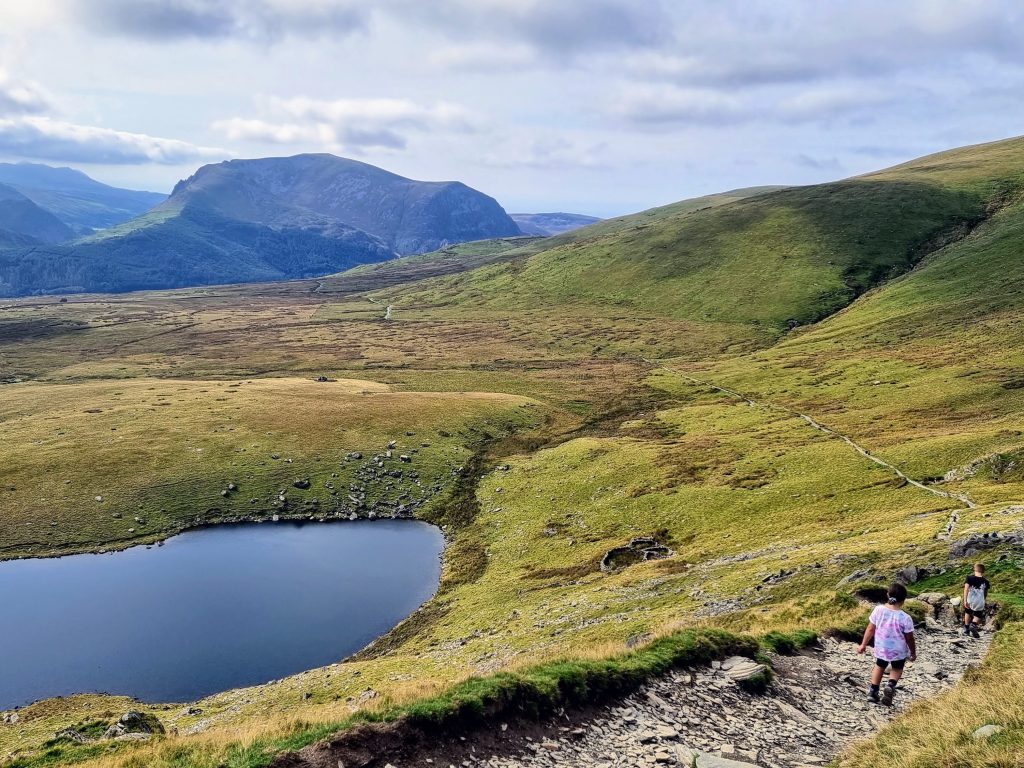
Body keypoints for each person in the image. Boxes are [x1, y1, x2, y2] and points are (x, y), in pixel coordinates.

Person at [857, 583, 917, 706]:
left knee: (879, 666)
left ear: (888, 595)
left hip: (881, 647)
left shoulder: (878, 610)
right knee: (897, 668)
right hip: (898, 650)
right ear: (904, 600)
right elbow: (910, 638)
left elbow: (870, 628)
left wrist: (863, 644)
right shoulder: (906, 618)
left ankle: (873, 692)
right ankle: (891, 684)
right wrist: (913, 652)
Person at [963, 563, 991, 638]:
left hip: (970, 599)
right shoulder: (986, 581)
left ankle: (966, 629)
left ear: (975, 569)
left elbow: (966, 589)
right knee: (978, 615)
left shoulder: (969, 578)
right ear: (983, 571)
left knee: (967, 612)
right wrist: (983, 600)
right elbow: (985, 593)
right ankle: (973, 624)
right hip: (980, 600)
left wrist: (965, 600)